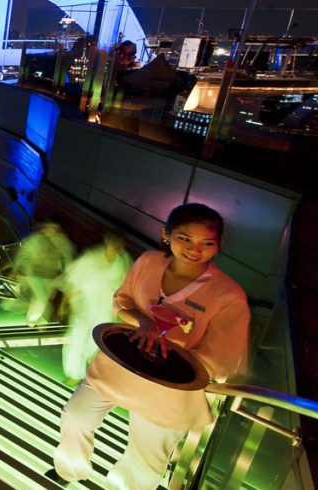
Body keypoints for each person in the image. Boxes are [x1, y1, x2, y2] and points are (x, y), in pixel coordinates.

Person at [52, 203, 250, 490]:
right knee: (75, 417)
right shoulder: (148, 262)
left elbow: (222, 358)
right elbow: (122, 300)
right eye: (185, 238)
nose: (196, 250)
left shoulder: (228, 295)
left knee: (145, 462)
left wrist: (171, 345)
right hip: (121, 364)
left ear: (218, 245)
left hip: (169, 387)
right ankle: (69, 470)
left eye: (208, 243)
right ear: (166, 234)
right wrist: (142, 322)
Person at [58, 232, 132, 382]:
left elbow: (127, 288)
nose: (115, 246)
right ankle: (73, 373)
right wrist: (63, 304)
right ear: (107, 241)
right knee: (77, 337)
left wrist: (122, 313)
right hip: (85, 304)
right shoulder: (91, 257)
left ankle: (89, 370)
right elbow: (73, 279)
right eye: (112, 242)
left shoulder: (124, 261)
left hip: (107, 308)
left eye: (118, 244)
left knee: (97, 341)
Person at [13, 222, 75, 325]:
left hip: (50, 276)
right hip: (33, 274)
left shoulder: (63, 242)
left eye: (54, 228)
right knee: (42, 299)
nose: (51, 230)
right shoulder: (36, 239)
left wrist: (66, 273)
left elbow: (67, 259)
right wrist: (17, 268)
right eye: (49, 227)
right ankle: (33, 321)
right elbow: (24, 253)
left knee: (40, 299)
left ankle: (37, 320)